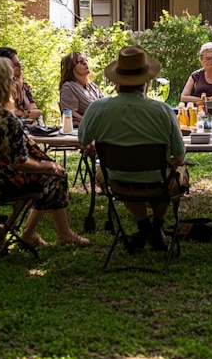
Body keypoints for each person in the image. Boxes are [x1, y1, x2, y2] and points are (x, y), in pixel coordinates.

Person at [0, 56, 89, 249]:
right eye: (10, 80)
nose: (14, 84)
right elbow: (20, 162)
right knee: (56, 174)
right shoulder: (3, 118)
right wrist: (48, 166)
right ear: (0, 84)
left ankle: (8, 229)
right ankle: (50, 234)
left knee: (46, 172)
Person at [79, 45, 187, 252]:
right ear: (146, 81)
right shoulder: (163, 111)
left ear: (116, 81)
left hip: (117, 180)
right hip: (159, 182)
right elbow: (180, 157)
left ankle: (144, 226)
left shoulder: (98, 108)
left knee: (114, 176)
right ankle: (156, 227)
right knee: (171, 175)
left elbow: (83, 140)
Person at [0, 47, 42, 122]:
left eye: (19, 62)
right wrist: (27, 115)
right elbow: (5, 115)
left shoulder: (24, 86)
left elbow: (34, 109)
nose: (19, 66)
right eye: (14, 64)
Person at [59, 52, 104, 126]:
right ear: (71, 67)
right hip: (85, 130)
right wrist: (89, 123)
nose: (85, 63)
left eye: (86, 60)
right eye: (81, 62)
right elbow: (70, 113)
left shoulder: (93, 86)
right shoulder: (69, 87)